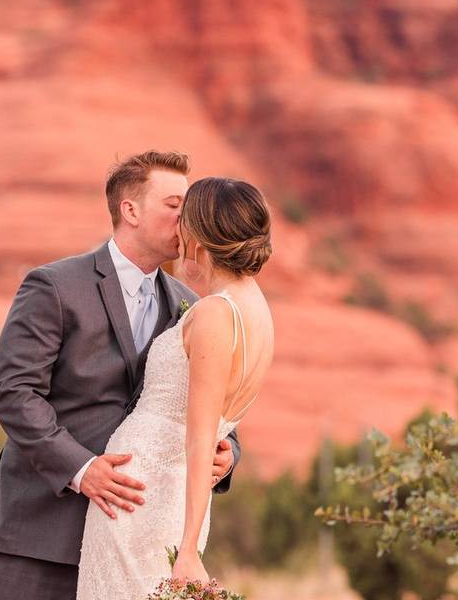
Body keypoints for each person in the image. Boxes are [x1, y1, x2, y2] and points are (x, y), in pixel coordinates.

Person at [0, 151, 241, 600]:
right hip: (42, 534)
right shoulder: (54, 286)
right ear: (129, 210)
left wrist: (229, 452)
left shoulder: (192, 305)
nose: (188, 219)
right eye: (176, 205)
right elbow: (15, 394)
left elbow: (217, 401)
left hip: (137, 544)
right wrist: (82, 469)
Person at [76, 176, 274, 599]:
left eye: (183, 219)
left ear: (201, 234)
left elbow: (201, 434)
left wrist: (187, 549)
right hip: (166, 496)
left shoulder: (215, 315)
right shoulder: (255, 309)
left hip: (139, 497)